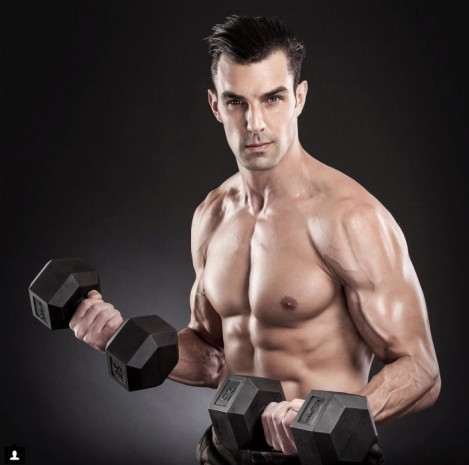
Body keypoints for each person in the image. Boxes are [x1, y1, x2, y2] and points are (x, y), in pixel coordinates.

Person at [69, 15, 441, 465]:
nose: (254, 123)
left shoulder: (350, 219)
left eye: (272, 98)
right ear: (215, 105)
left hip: (324, 455)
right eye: (236, 102)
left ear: (299, 98)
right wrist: (120, 338)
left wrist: (330, 416)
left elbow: (422, 372)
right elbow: (212, 358)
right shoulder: (212, 215)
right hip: (226, 449)